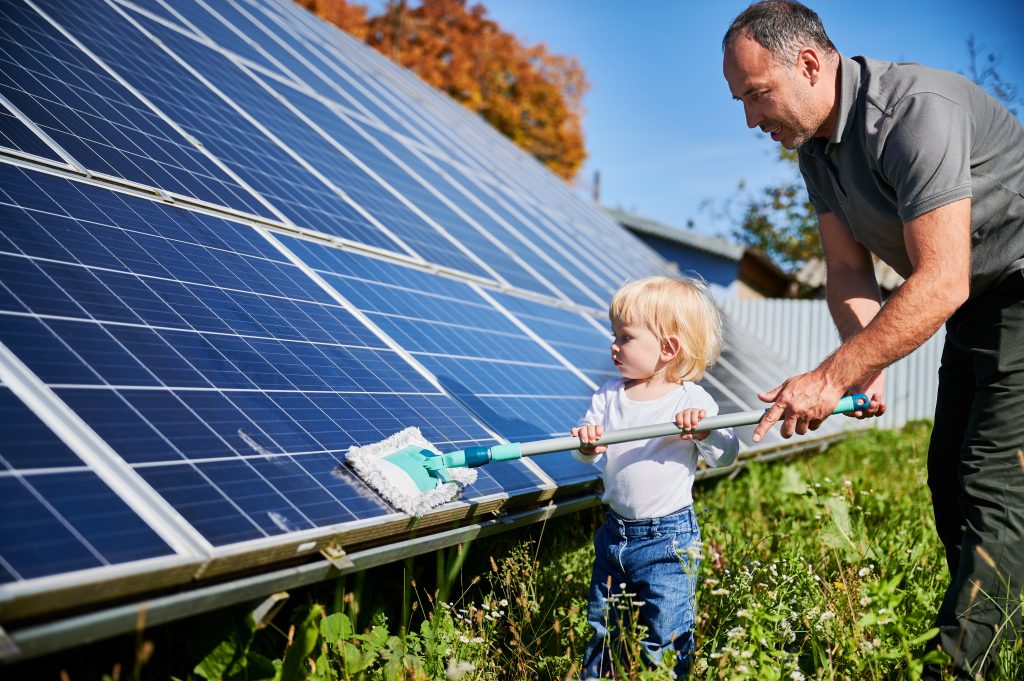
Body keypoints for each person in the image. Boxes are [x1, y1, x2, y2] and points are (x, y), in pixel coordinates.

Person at [722, 2, 1024, 677]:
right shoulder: (816, 154)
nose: (749, 118)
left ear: (807, 63)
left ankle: (962, 662)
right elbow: (849, 270)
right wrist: (863, 363)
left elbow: (940, 279)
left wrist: (829, 377)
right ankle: (985, 621)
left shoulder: (914, 112)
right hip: (980, 299)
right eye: (740, 100)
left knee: (989, 478)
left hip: (1019, 286)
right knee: (949, 476)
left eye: (756, 94)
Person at [571, 276, 739, 679]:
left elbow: (726, 455)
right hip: (614, 534)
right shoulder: (608, 395)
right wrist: (588, 444)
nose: (614, 345)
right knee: (602, 625)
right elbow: (584, 453)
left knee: (665, 630)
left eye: (625, 337)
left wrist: (704, 431)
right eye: (615, 335)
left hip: (668, 539)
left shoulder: (690, 400)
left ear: (667, 348)